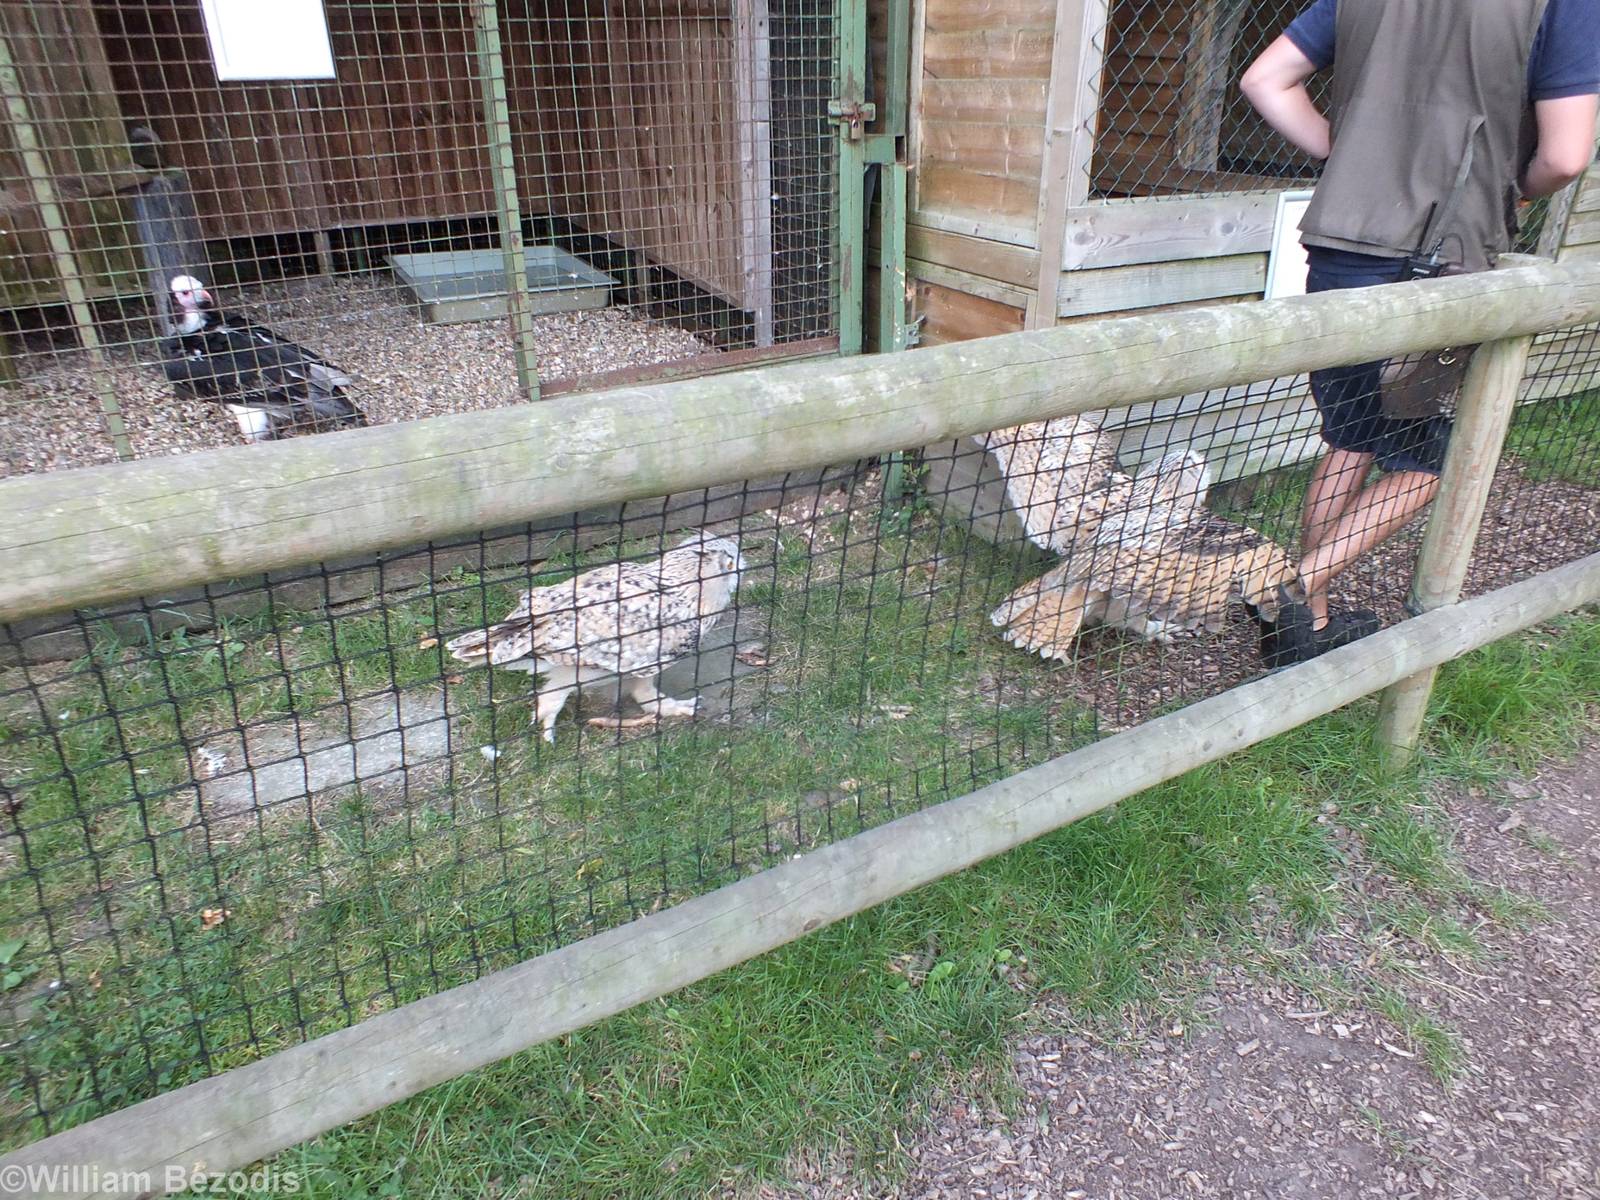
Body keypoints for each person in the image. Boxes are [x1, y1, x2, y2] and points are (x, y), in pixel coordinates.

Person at [1240, 0, 1599, 667]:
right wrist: (1510, 190)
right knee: (1430, 459)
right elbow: (1567, 154)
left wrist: (1344, 157)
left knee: (1349, 435)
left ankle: (1305, 626)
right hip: (1439, 256)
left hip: (1340, 246)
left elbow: (1264, 80)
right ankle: (1292, 590)